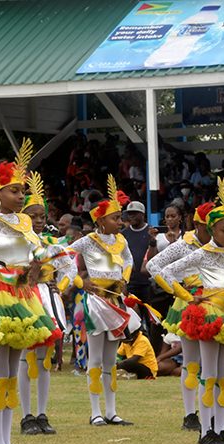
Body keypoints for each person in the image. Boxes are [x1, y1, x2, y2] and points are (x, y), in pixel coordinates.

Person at [0, 138, 61, 444]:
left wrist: (52, 253)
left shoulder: (24, 222)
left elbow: (37, 251)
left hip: (23, 295)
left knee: (13, 369)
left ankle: (7, 442)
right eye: (14, 191)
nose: (20, 196)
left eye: (22, 191)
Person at [156, 178, 224, 444]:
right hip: (208, 315)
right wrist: (189, 296)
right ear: (212, 229)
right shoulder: (201, 254)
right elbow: (167, 272)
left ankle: (221, 428)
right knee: (208, 372)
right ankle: (205, 431)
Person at [69, 174, 135, 427]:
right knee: (95, 358)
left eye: (120, 217)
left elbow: (128, 260)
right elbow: (64, 258)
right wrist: (80, 281)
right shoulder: (88, 240)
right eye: (116, 218)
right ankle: (95, 411)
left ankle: (112, 411)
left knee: (111, 360)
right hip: (96, 300)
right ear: (100, 220)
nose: (120, 222)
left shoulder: (121, 240)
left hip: (116, 299)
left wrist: (125, 278)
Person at [146, 202, 214, 431]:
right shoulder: (184, 245)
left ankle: (212, 413)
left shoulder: (218, 244)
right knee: (192, 360)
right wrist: (178, 291)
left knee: (212, 363)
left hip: (216, 304)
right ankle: (189, 415)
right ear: (197, 224)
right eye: (210, 226)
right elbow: (154, 266)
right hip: (190, 304)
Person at [18, 172, 76, 436]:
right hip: (21, 299)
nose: (40, 221)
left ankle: (41, 413)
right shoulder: (16, 244)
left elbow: (70, 269)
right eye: (34, 216)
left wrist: (60, 289)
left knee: (43, 359)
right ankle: (25, 414)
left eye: (43, 216)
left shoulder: (52, 244)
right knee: (23, 356)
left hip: (46, 300)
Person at [122, 201, 151, 303]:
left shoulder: (150, 231)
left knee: (151, 315)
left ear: (142, 214)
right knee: (133, 315)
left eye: (134, 213)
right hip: (131, 282)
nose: (131, 216)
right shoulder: (123, 234)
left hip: (148, 282)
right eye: (129, 214)